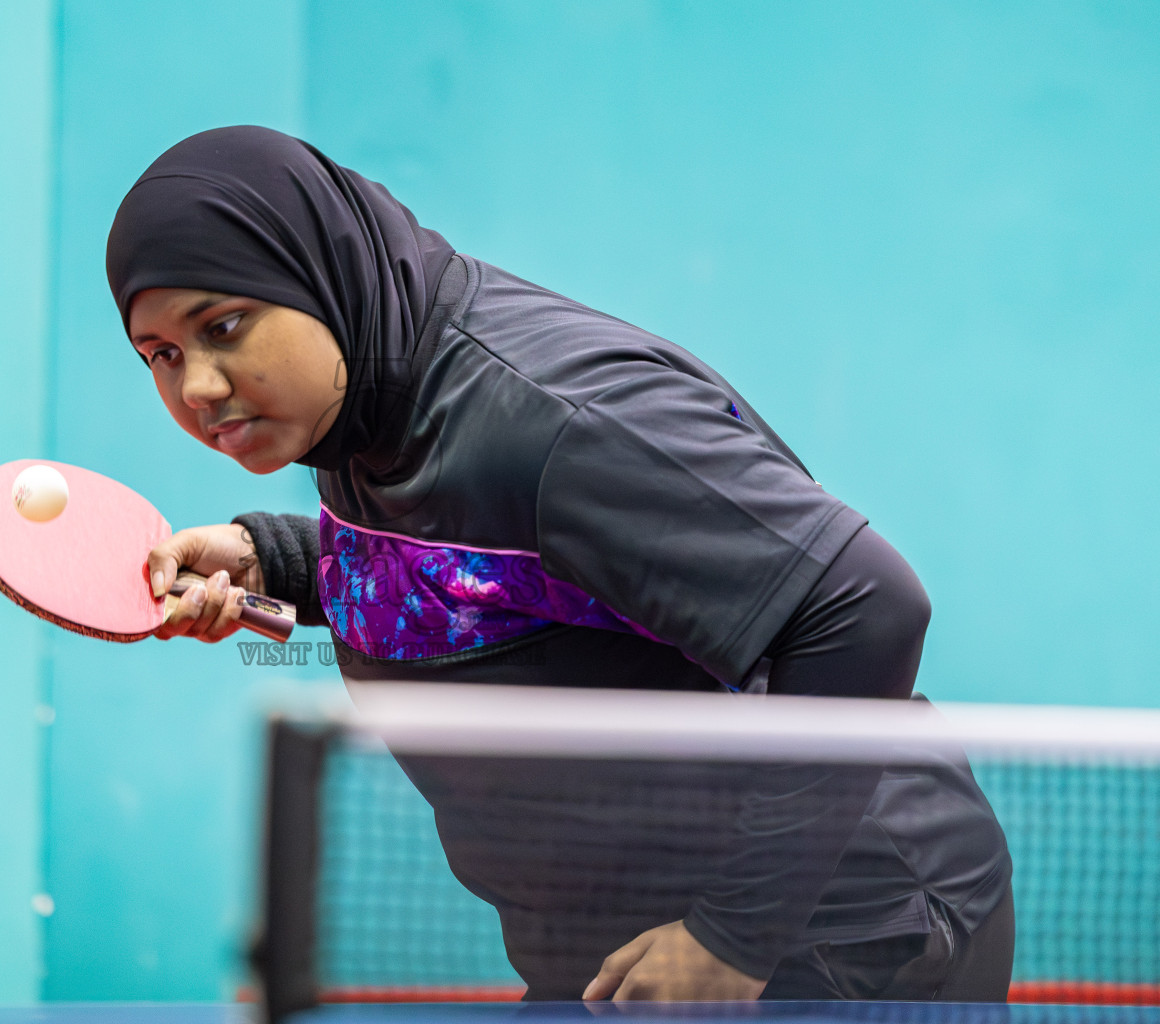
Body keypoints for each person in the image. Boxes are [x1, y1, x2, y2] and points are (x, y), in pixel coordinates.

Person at [104, 125, 1014, 1002]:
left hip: (829, 936)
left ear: (315, 273)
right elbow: (488, 571)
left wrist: (735, 938)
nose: (198, 388)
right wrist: (280, 560)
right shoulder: (368, 404)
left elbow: (866, 607)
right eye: (163, 355)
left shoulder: (557, 425)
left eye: (225, 326)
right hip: (620, 945)